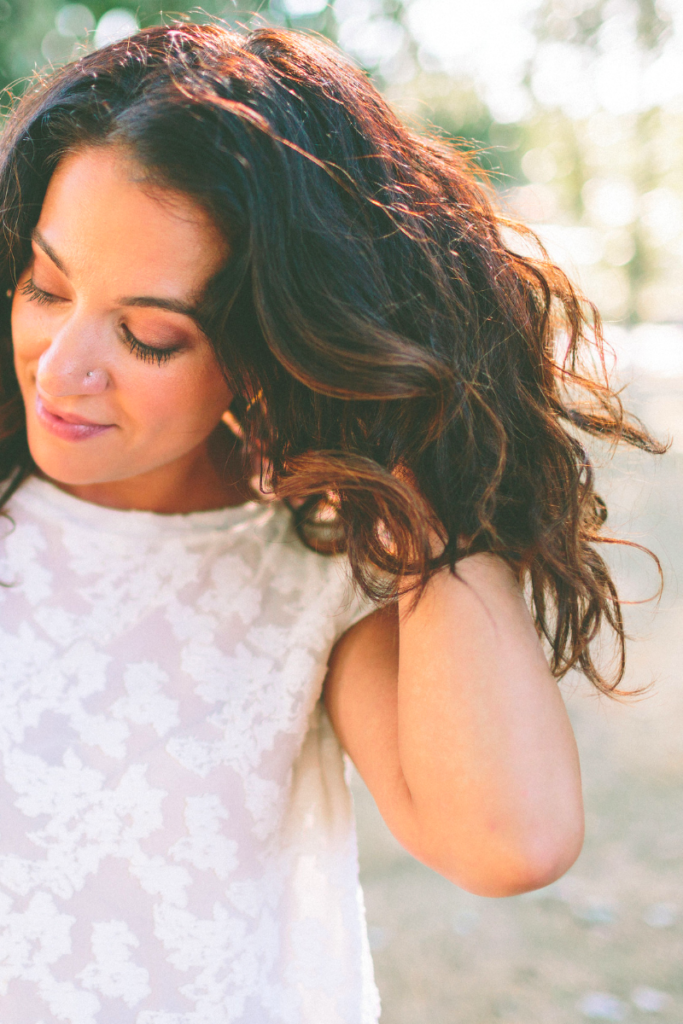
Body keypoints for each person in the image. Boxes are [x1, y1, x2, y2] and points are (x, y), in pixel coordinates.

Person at [0, 22, 660, 1024]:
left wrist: (412, 448)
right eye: (47, 286)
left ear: (271, 338)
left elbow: (506, 840)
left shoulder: (314, 554)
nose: (60, 368)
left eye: (148, 334)